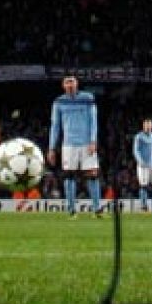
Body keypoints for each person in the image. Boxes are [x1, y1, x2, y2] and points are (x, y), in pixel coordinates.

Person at [48, 75, 101, 217]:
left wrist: (93, 140)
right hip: (68, 145)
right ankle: (71, 210)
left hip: (86, 143)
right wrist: (52, 147)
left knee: (92, 174)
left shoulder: (87, 98)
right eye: (67, 82)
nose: (70, 84)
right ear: (63, 85)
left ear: (77, 84)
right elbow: (55, 125)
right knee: (69, 176)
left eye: (72, 81)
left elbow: (93, 121)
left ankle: (97, 209)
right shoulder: (59, 101)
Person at [133, 118, 152, 213]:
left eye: (149, 125)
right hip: (143, 165)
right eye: (146, 125)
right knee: (144, 185)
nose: (148, 127)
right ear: (143, 126)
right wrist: (140, 160)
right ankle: (143, 206)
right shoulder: (139, 137)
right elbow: (136, 150)